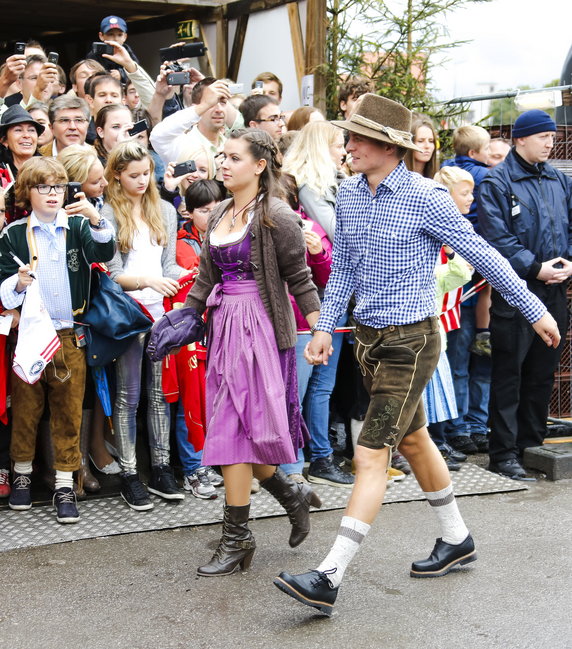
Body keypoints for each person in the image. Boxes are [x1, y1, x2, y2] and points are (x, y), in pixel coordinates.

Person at [273, 94, 560, 616]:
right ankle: (457, 538)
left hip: (412, 341)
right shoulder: (352, 194)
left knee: (370, 453)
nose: (348, 146)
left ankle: (329, 574)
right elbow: (347, 270)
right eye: (348, 137)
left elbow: (481, 254)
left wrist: (533, 307)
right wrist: (324, 326)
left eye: (357, 139)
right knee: (415, 438)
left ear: (387, 147)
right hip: (367, 338)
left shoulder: (428, 196)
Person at [158, 128, 323, 575]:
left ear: (259, 165)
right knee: (235, 430)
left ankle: (238, 539)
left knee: (235, 431)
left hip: (263, 330)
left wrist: (320, 328)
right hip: (225, 326)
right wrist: (185, 318)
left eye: (233, 157)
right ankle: (289, 493)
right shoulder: (218, 216)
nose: (223, 164)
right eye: (221, 156)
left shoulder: (277, 216)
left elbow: (300, 279)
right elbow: (206, 280)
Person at [0, 156, 115, 523]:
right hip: (31, 334)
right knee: (26, 409)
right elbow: (4, 295)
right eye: (43, 187)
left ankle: (66, 482)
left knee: (68, 412)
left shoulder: (78, 226)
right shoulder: (14, 234)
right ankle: (22, 476)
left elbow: (106, 250)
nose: (53, 194)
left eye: (59, 187)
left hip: (69, 334)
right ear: (27, 192)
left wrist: (97, 218)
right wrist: (16, 284)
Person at [478, 109, 572, 480]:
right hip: (515, 293)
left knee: (541, 372)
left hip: (555, 291)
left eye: (552, 136)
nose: (551, 142)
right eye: (542, 137)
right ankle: (503, 455)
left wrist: (567, 264)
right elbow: (496, 238)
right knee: (509, 374)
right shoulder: (496, 182)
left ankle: (532, 447)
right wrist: (536, 268)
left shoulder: (559, 180)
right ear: (520, 139)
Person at [103, 141, 185, 510]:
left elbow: (167, 265)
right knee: (128, 396)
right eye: (133, 175)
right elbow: (113, 275)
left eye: (146, 173)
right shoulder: (107, 213)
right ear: (117, 175)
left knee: (158, 394)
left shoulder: (165, 210)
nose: (141, 180)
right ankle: (130, 473)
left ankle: (162, 467)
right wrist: (149, 282)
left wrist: (184, 274)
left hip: (157, 314)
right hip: (127, 315)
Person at [282, 121, 353, 486]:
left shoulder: (341, 184)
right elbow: (343, 236)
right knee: (300, 386)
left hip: (334, 301)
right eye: (339, 144)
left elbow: (329, 258)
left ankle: (321, 457)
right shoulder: (309, 190)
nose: (345, 150)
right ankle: (293, 464)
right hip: (306, 311)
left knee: (323, 386)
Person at [441, 124, 492, 454]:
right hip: (460, 295)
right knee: (464, 362)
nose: (472, 201)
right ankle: (462, 427)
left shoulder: (459, 178)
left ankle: (462, 426)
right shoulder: (485, 178)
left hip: (470, 289)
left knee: (463, 362)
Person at [172, 179, 224, 499]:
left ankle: (212, 458)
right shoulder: (182, 243)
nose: (213, 213)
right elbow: (192, 284)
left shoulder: (228, 234)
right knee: (190, 399)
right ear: (189, 213)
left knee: (214, 398)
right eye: (204, 210)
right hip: (192, 329)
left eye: (218, 207)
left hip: (221, 327)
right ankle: (193, 467)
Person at [404, 113, 439, 178]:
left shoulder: (437, 177)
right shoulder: (398, 177)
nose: (427, 146)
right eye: (420, 141)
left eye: (431, 141)